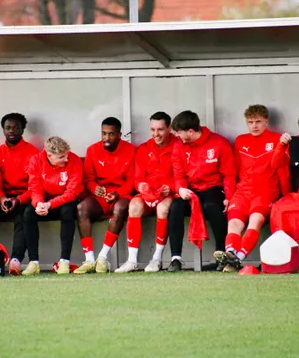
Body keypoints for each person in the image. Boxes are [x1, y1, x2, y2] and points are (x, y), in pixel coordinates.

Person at [214, 105, 291, 272]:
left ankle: (237, 259)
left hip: (265, 192)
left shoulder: (278, 140)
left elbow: (282, 170)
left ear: (266, 122)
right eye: (250, 122)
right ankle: (231, 254)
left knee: (255, 221)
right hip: (242, 191)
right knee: (234, 223)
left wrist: (286, 197)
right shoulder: (240, 141)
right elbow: (232, 171)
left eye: (258, 122)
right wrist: (229, 195)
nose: (254, 126)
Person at [169, 110, 236, 272]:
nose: (177, 136)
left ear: (191, 132)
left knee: (213, 207)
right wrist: (181, 188)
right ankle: (175, 259)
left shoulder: (219, 143)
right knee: (176, 208)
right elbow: (178, 174)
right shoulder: (179, 146)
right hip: (191, 190)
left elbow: (229, 174)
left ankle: (222, 256)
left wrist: (229, 197)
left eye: (179, 132)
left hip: (213, 188)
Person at [115, 112, 176, 273]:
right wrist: (141, 186)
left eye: (160, 129)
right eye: (152, 129)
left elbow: (184, 175)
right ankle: (132, 260)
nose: (156, 134)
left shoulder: (178, 146)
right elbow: (137, 177)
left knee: (163, 209)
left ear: (169, 129)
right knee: (134, 205)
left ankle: (157, 259)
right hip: (148, 194)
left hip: (168, 194)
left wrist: (171, 187)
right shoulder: (144, 148)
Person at [74, 117, 135, 274]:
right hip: (101, 197)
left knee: (120, 208)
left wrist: (118, 193)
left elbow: (132, 180)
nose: (106, 138)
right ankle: (89, 259)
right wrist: (94, 188)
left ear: (119, 135)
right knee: (81, 208)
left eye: (111, 134)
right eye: (104, 133)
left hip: (121, 195)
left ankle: (102, 257)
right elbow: (88, 179)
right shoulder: (92, 150)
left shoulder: (130, 150)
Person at [0, 113, 39, 276]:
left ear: (22, 129)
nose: (11, 131)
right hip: (4, 197)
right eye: (8, 128)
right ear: (3, 130)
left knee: (23, 217)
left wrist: (19, 200)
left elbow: (35, 186)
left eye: (15, 128)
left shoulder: (33, 153)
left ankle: (15, 260)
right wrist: (1, 199)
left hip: (24, 198)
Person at [22, 136, 83, 275]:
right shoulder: (36, 161)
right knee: (28, 213)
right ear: (49, 155)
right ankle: (33, 262)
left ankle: (64, 261)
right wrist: (39, 204)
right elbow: (34, 188)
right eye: (61, 157)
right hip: (45, 200)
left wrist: (50, 204)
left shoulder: (74, 160)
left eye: (66, 155)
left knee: (68, 211)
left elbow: (72, 192)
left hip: (65, 200)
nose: (66, 159)